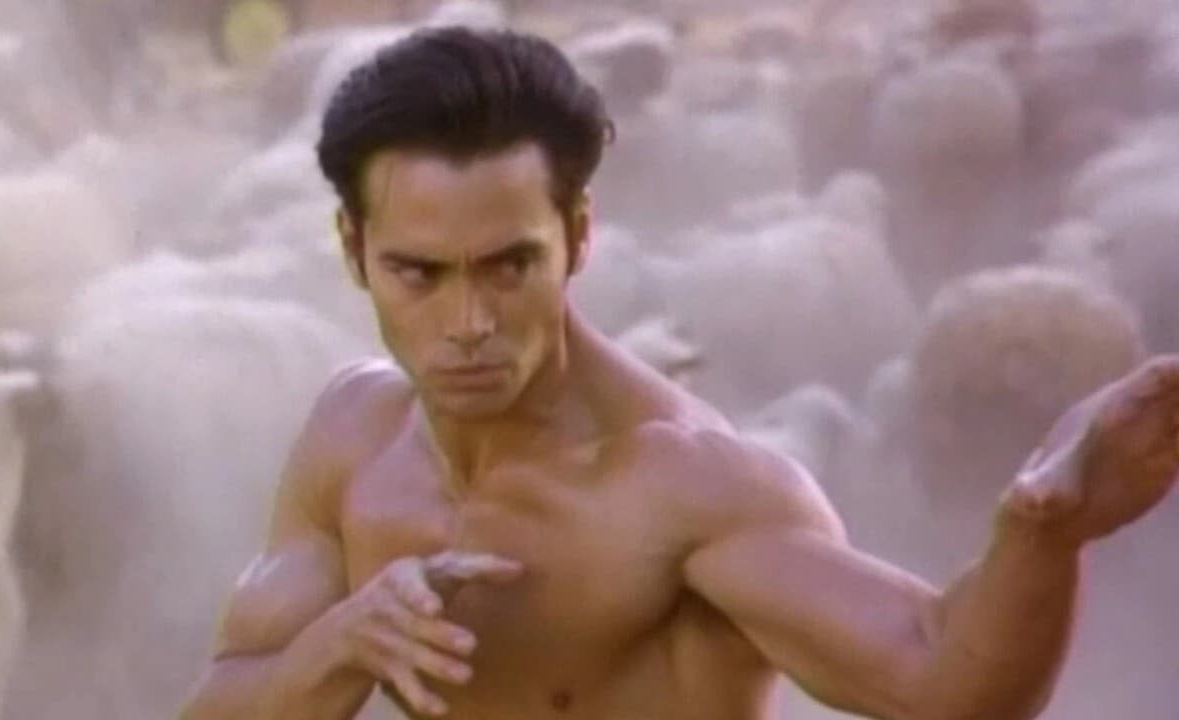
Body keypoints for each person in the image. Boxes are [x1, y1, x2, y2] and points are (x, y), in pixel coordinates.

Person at [178, 26, 1179, 720]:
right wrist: (341, 642)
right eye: (419, 274)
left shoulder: (685, 486)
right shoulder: (352, 437)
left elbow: (941, 682)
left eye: (509, 266)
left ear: (577, 235)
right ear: (354, 251)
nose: (469, 323)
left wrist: (1041, 535)